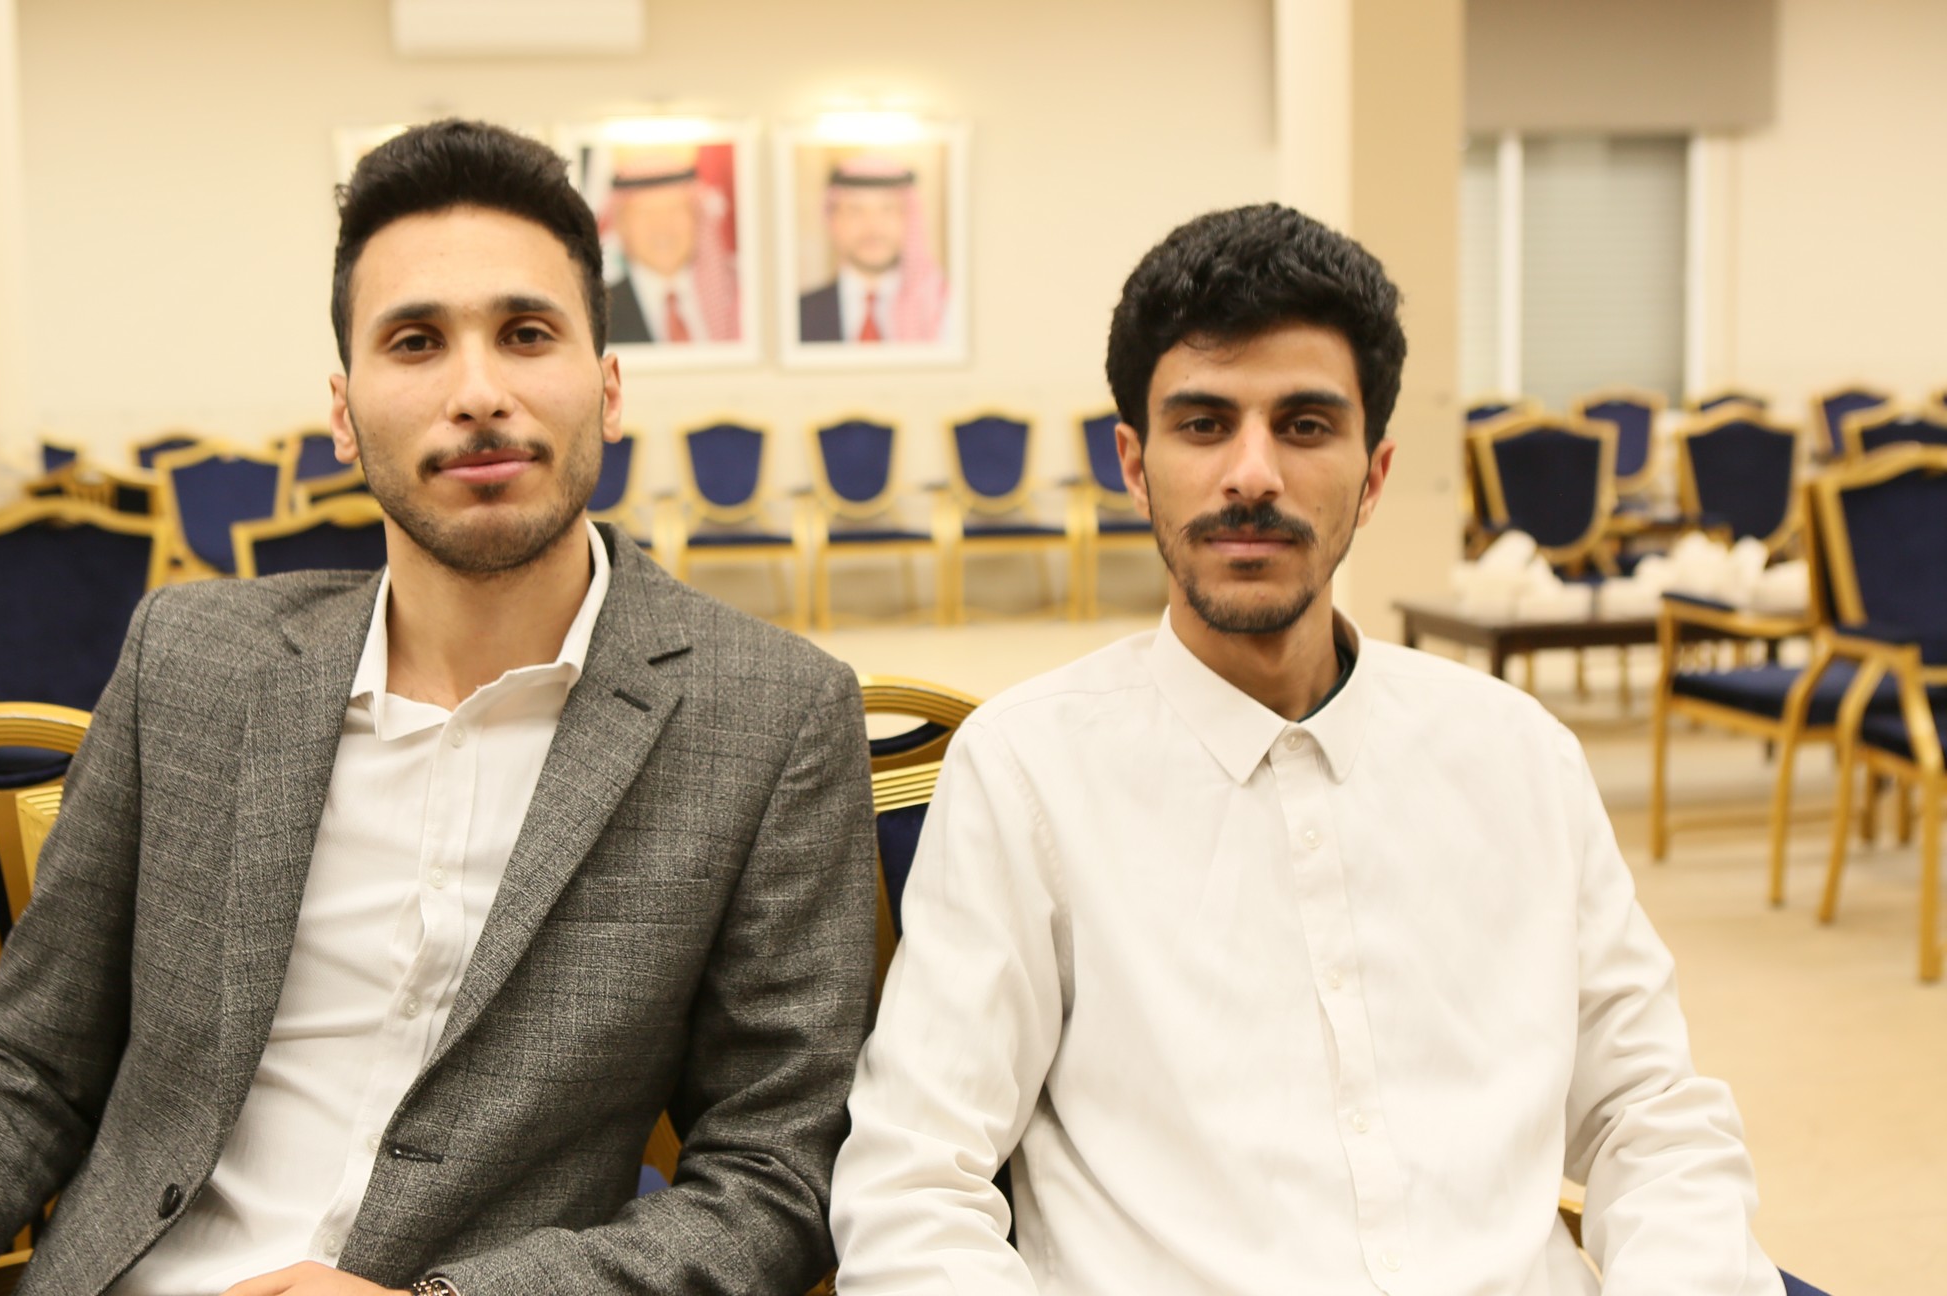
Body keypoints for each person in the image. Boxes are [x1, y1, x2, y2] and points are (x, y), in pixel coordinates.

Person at [0, 119, 877, 1296]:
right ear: (345, 413)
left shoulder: (767, 716)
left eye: (526, 334)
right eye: (416, 342)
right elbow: (31, 1070)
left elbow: (772, 1179)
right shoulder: (191, 662)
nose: (478, 394)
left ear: (608, 390)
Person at [828, 203, 1785, 1295]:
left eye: (1305, 425)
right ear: (1134, 467)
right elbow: (914, 1183)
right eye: (1204, 425)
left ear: (1373, 475)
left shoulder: (1520, 755)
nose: (1252, 474)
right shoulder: (1028, 772)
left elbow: (1650, 1115)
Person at [795, 157, 946, 345]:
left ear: (908, 219)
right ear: (833, 220)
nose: (873, 226)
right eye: (855, 210)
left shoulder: (942, 311)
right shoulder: (796, 315)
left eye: (887, 209)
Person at [600, 151, 738, 346]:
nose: (663, 226)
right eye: (645, 213)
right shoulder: (599, 312)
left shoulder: (737, 300)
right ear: (622, 226)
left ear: (697, 218)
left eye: (675, 210)